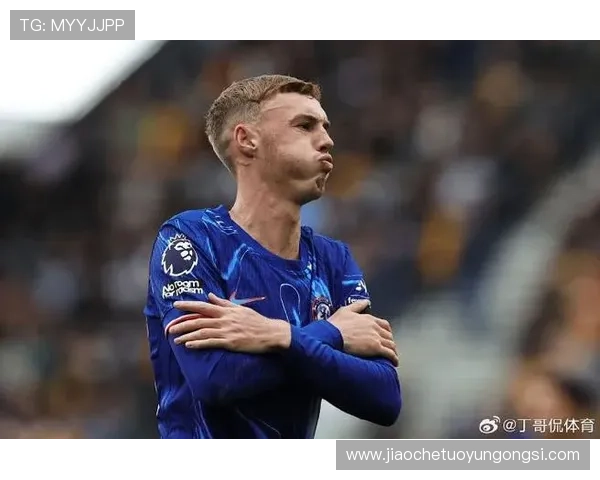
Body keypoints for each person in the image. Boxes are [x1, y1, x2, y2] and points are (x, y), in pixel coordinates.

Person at [143, 74, 402, 439]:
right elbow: (214, 378)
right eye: (305, 126)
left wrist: (277, 335)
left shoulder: (333, 260)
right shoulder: (191, 239)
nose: (327, 140)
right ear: (247, 140)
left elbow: (385, 398)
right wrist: (329, 334)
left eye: (325, 127)